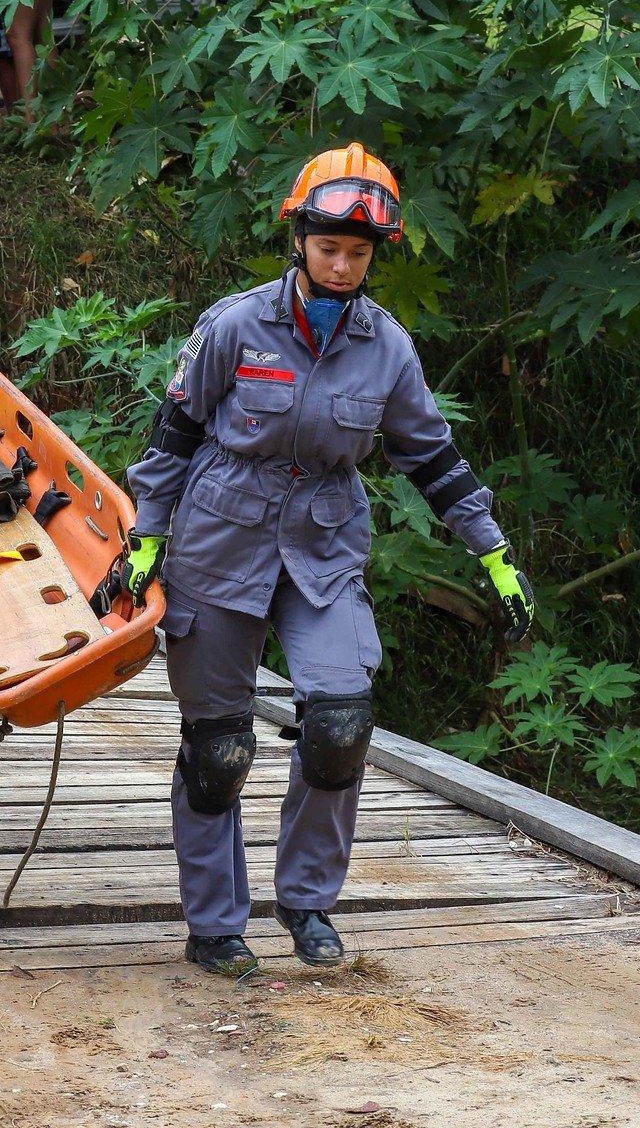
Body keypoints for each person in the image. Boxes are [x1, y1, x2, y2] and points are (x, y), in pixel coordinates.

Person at [122, 144, 536, 977]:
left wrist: (492, 553)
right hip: (216, 541)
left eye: (358, 252)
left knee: (340, 722)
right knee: (219, 749)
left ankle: (308, 903)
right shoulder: (235, 324)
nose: (343, 265)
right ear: (300, 239)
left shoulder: (388, 347)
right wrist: (146, 537)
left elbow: (434, 459)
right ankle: (215, 925)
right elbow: (173, 435)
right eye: (328, 248)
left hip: (323, 547)